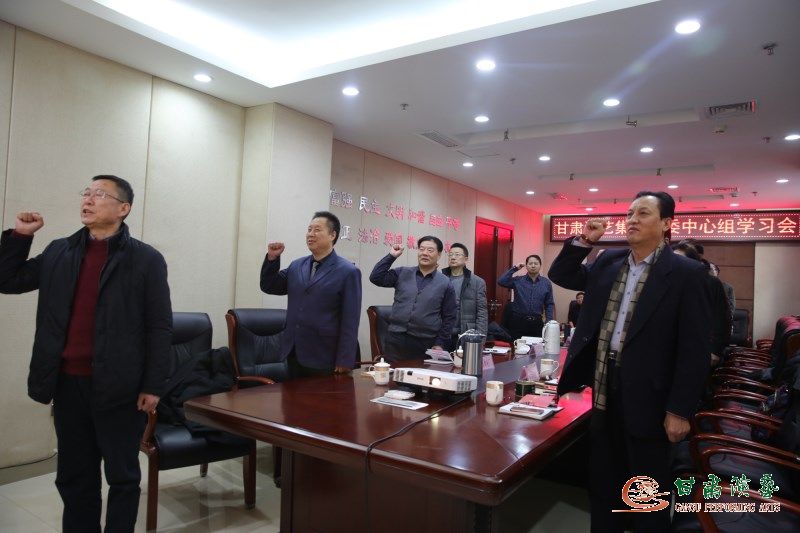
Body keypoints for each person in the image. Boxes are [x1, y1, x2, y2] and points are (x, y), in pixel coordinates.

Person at [0, 175, 172, 533]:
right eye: (87, 193)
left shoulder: (146, 259)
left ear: (123, 208)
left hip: (121, 388)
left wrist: (153, 385)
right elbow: (8, 280)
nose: (89, 199)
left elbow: (159, 326)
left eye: (100, 194)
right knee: (75, 477)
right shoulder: (59, 251)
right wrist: (20, 237)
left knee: (123, 477)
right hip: (68, 384)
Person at [549, 191, 710, 533]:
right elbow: (561, 274)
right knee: (603, 484)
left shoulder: (687, 273)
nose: (632, 219)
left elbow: (694, 349)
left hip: (652, 398)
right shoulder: (609, 260)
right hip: (604, 388)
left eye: (644, 213)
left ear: (666, 223)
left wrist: (679, 410)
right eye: (630, 213)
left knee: (646, 493)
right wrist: (585, 242)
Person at [260, 211, 362, 376]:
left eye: (317, 230)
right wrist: (272, 259)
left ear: (332, 235)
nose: (310, 234)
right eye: (309, 229)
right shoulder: (297, 266)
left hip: (325, 355)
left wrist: (345, 358)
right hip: (294, 352)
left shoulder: (347, 271)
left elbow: (350, 319)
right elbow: (270, 286)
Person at [369, 236, 457, 362]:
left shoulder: (445, 283)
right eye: (421, 249)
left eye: (430, 250)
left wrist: (440, 343)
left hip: (425, 343)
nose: (425, 253)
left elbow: (449, 317)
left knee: (420, 374)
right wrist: (391, 256)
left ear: (439, 255)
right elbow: (376, 277)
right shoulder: (402, 272)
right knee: (393, 374)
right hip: (395, 341)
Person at [673, 242, 731, 366]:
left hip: (700, 349)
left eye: (680, 260)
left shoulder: (711, 283)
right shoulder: (668, 283)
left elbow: (721, 318)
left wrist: (715, 350)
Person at [441, 243, 488, 348]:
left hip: (466, 334)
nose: (453, 257)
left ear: (466, 259)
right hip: (442, 334)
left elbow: (482, 313)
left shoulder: (477, 282)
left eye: (457, 254)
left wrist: (480, 339)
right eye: (450, 254)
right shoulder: (440, 279)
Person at [497, 254, 554, 338]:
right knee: (517, 345)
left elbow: (549, 304)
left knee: (537, 345)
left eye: (536, 263)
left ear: (540, 265)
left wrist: (549, 321)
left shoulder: (546, 283)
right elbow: (501, 281)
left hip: (537, 322)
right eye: (530, 263)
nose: (533, 266)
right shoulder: (518, 280)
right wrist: (515, 268)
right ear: (526, 266)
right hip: (518, 322)